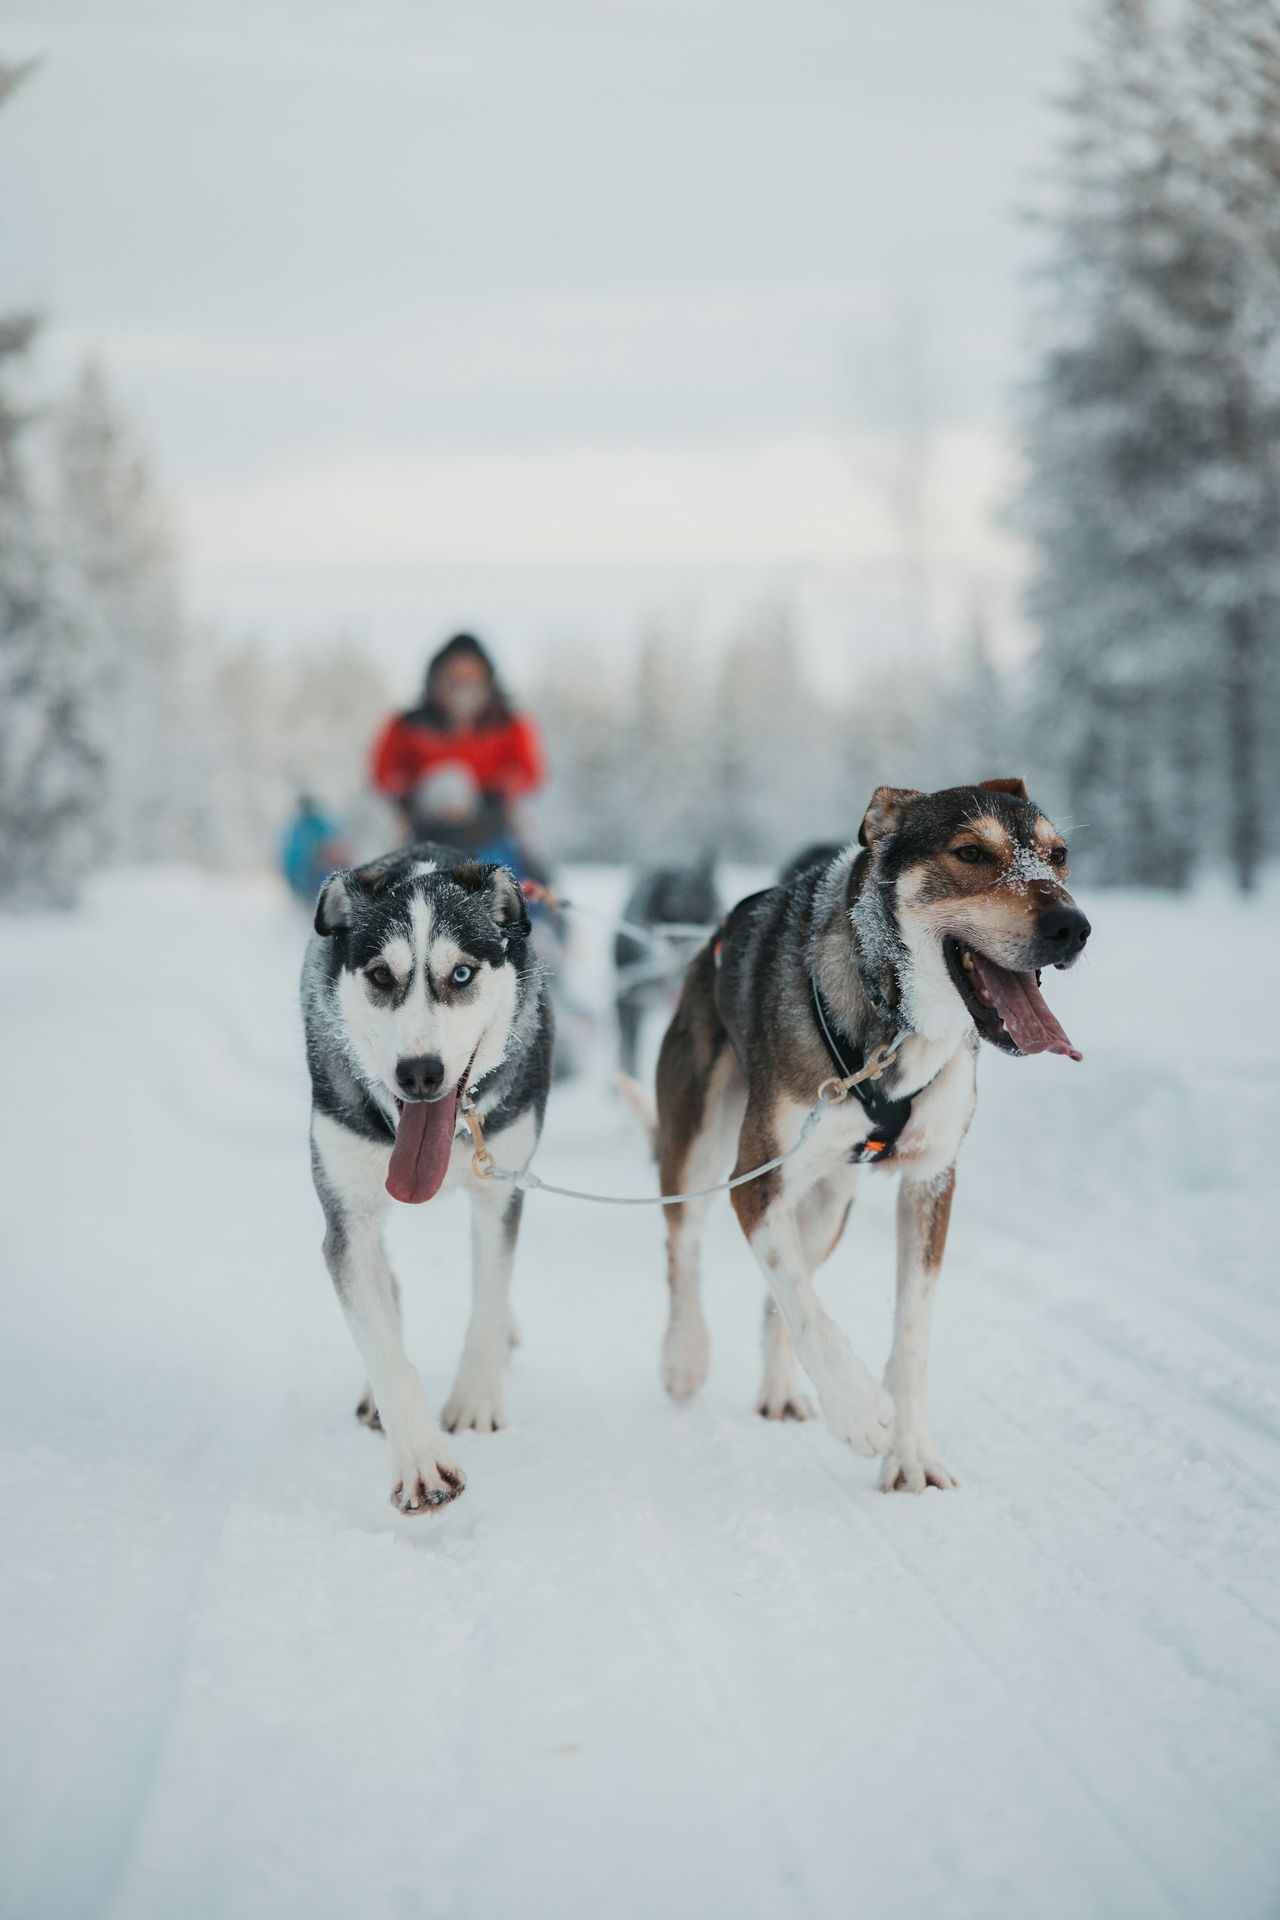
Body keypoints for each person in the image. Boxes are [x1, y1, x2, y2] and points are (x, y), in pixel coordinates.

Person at [370, 634, 543, 863]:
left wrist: (500, 790)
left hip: (488, 820)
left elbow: (530, 774)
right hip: (423, 823)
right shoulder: (408, 724)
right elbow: (383, 775)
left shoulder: (509, 724)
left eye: (471, 678)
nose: (462, 688)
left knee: (520, 858)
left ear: (487, 682)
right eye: (453, 678)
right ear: (435, 680)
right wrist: (409, 791)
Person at [280, 794, 350, 904]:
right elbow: (291, 860)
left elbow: (339, 847)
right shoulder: (297, 830)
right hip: (307, 880)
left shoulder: (322, 825)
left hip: (322, 877)